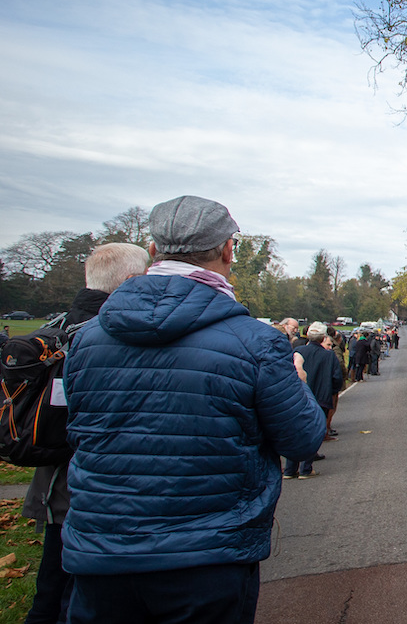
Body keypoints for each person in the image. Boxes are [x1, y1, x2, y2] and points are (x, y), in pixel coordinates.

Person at [62, 195, 326, 623]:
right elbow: (303, 439)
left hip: (100, 553)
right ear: (227, 251)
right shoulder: (256, 342)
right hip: (207, 556)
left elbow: (77, 429)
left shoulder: (88, 339)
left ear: (152, 251)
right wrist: (299, 383)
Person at [21, 243, 150, 624]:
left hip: (52, 478)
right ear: (129, 281)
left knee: (51, 584)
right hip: (94, 482)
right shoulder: (107, 334)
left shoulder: (57, 328)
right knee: (80, 594)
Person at [285, 323, 346, 480]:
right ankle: (306, 467)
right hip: (320, 397)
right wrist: (333, 391)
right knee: (313, 432)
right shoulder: (328, 355)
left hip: (298, 396)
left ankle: (290, 469)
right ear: (323, 338)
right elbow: (337, 377)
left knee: (296, 432)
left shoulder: (298, 351)